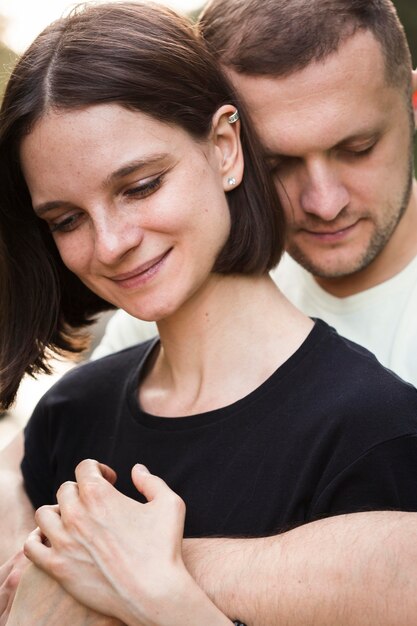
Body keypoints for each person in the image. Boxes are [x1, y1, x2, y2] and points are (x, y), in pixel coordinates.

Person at [1, 1, 417, 625]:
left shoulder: (375, 431)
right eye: (67, 219)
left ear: (225, 148)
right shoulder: (73, 413)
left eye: (140, 186)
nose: (111, 243)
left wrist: (155, 590)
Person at [94, 0, 417, 391]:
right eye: (275, 165)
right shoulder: (193, 286)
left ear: (412, 102)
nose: (325, 205)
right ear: (223, 146)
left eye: (358, 149)